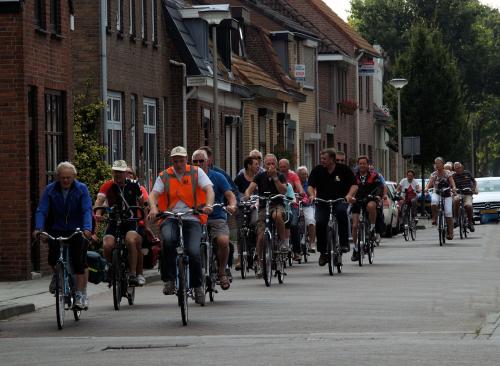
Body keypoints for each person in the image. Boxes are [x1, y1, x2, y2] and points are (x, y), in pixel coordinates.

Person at [148, 146, 214, 304]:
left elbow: (209, 189)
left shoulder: (196, 172)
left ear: (186, 160)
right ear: (172, 161)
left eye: (182, 160)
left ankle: (198, 286)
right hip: (170, 217)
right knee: (168, 242)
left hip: (193, 216)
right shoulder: (164, 176)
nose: (179, 164)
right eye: (176, 160)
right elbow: (153, 195)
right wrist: (153, 207)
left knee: (193, 250)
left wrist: (209, 205)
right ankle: (169, 280)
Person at [33, 162, 93, 309]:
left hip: (77, 228)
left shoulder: (81, 189)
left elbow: (86, 209)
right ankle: (58, 276)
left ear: (74, 177)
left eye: (68, 178)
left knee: (79, 261)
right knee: (53, 259)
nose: (65, 181)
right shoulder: (50, 190)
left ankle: (79, 294)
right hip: (57, 228)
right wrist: (39, 228)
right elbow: (42, 210)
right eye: (62, 178)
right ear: (57, 177)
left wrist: (87, 228)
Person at [94, 160, 146, 286]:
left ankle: (133, 274)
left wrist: (143, 217)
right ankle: (111, 268)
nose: (118, 175)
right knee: (107, 245)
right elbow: (99, 201)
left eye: (120, 172)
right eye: (115, 172)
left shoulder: (133, 185)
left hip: (130, 221)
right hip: (113, 220)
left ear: (125, 173)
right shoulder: (107, 185)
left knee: (131, 241)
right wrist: (98, 214)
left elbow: (143, 203)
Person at [192, 149, 237, 290]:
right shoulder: (188, 178)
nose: (198, 164)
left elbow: (230, 195)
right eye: (195, 161)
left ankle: (222, 272)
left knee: (223, 241)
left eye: (201, 161)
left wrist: (232, 205)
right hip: (196, 218)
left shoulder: (217, 176)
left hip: (216, 216)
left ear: (208, 161)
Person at [307, 148, 357, 266]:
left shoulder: (344, 170)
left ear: (332, 159)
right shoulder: (317, 170)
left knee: (341, 212)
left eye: (325, 158)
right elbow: (310, 186)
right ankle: (323, 253)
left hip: (339, 200)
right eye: (321, 158)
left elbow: (354, 185)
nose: (322, 160)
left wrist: (349, 196)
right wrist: (312, 196)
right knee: (320, 222)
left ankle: (344, 243)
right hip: (322, 201)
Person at [244, 154, 287, 277]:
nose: (270, 166)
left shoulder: (280, 176)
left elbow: (283, 191)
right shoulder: (259, 176)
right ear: (264, 164)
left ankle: (283, 242)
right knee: (261, 235)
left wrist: (275, 178)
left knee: (277, 216)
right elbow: (250, 188)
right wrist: (247, 194)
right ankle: (259, 261)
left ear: (276, 165)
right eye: (268, 163)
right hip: (264, 206)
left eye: (272, 163)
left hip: (277, 204)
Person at [350, 156, 384, 262]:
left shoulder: (374, 176)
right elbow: (348, 187)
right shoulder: (353, 176)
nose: (362, 165)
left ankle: (372, 226)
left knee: (371, 206)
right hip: (357, 201)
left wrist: (378, 195)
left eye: (364, 163)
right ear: (358, 164)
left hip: (370, 199)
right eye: (360, 163)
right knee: (355, 226)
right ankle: (355, 248)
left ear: (368, 165)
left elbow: (379, 187)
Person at [233, 156, 260, 270]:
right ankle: (239, 258)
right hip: (242, 207)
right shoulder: (240, 178)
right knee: (241, 231)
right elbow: (233, 192)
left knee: (255, 225)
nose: (258, 166)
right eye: (256, 164)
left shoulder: (259, 178)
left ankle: (255, 254)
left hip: (255, 207)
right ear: (249, 166)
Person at [425, 157, 457, 240]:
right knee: (434, 202)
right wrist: (426, 188)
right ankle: (434, 218)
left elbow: (452, 181)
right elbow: (430, 182)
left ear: (443, 164)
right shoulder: (434, 174)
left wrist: (453, 188)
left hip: (446, 194)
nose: (437, 165)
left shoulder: (447, 173)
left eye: (439, 163)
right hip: (437, 192)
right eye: (436, 163)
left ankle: (450, 233)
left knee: (448, 213)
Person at [278, 159, 304, 261]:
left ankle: (297, 251)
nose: (283, 169)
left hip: (291, 205)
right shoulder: (276, 178)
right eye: (281, 167)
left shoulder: (293, 176)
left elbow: (298, 186)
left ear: (288, 167)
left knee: (293, 224)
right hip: (279, 205)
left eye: (285, 167)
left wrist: (300, 192)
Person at [452, 162, 477, 232]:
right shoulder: (453, 176)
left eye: (459, 168)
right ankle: (456, 218)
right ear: (454, 169)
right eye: (456, 168)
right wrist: (454, 191)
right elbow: (451, 186)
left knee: (469, 206)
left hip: (467, 193)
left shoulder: (467, 173)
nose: (458, 170)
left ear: (462, 167)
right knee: (456, 200)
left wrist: (473, 188)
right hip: (459, 193)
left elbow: (474, 181)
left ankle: (470, 222)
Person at [296, 166, 316, 252]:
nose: (305, 176)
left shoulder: (309, 184)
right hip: (296, 205)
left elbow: (313, 193)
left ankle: (312, 243)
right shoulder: (295, 183)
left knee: (311, 220)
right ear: (298, 175)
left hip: (308, 205)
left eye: (305, 174)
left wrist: (311, 197)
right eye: (302, 174)